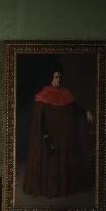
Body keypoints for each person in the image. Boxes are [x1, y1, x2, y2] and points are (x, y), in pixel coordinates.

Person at [22, 69, 93, 198]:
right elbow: (40, 120)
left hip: (64, 136)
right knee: (51, 163)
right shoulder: (42, 95)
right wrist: (45, 135)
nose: (58, 80)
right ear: (50, 78)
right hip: (49, 136)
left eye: (60, 77)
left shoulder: (66, 93)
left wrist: (86, 111)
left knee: (64, 161)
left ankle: (63, 189)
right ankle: (50, 190)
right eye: (55, 77)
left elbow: (75, 108)